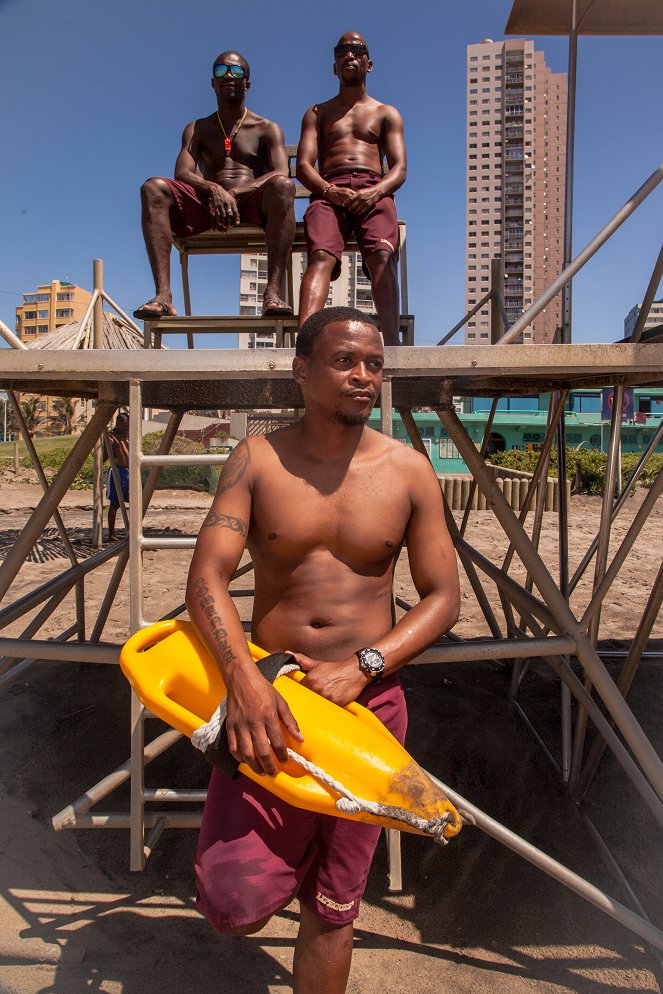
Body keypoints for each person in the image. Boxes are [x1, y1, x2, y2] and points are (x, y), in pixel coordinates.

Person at [185, 307, 460, 993]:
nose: (362, 376)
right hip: (269, 702)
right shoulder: (256, 459)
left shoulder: (407, 472)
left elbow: (442, 598)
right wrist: (245, 682)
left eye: (373, 364)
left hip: (368, 706)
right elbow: (206, 578)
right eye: (344, 361)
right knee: (233, 903)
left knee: (335, 908)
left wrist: (363, 665)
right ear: (301, 369)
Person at [134, 51, 295, 320]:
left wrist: (238, 191)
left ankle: (272, 295)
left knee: (282, 186)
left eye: (237, 72)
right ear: (212, 83)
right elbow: (182, 172)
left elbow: (281, 171)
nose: (229, 76)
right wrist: (215, 189)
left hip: (252, 202)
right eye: (221, 71)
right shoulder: (198, 128)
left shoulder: (267, 128)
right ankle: (163, 296)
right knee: (152, 188)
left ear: (248, 83)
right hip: (209, 203)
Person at [296, 34, 407, 347]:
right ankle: (305, 345)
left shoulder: (386, 113)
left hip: (374, 188)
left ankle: (393, 346)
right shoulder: (317, 113)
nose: (349, 55)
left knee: (383, 256)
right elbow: (304, 166)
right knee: (320, 256)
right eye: (342, 51)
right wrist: (331, 192)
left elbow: (399, 168)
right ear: (334, 66)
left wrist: (375, 193)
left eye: (357, 50)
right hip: (330, 190)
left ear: (369, 64)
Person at [106, 411, 129, 543]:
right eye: (125, 426)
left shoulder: (128, 436)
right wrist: (114, 445)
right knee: (114, 504)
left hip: (128, 471)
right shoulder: (111, 436)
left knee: (135, 500)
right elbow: (105, 456)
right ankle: (111, 533)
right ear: (119, 423)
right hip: (117, 472)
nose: (127, 428)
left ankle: (132, 529)